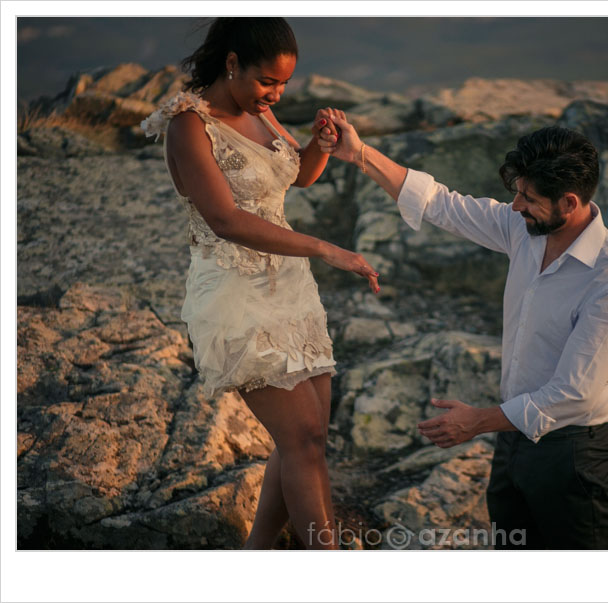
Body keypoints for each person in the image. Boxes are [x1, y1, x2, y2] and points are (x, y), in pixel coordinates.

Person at [317, 111, 608, 549]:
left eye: (528, 197)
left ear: (568, 202)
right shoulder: (524, 229)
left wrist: (477, 422)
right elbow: (441, 204)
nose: (515, 205)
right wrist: (359, 155)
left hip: (573, 458)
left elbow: (572, 393)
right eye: (517, 192)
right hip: (512, 441)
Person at [141, 18, 380, 550]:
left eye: (284, 85)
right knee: (301, 439)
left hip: (290, 288)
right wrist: (325, 247)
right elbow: (225, 219)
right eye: (267, 82)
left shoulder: (261, 111)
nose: (275, 94)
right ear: (232, 64)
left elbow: (294, 176)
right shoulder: (189, 125)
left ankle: (257, 558)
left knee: (307, 437)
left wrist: (318, 144)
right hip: (234, 290)